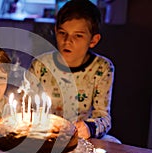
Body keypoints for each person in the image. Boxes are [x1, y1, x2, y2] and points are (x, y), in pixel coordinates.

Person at [28, 0, 121, 143]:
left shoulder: (102, 68)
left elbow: (104, 118)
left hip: (82, 140)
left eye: (78, 35)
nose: (67, 41)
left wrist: (88, 127)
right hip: (44, 138)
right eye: (62, 33)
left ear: (93, 40)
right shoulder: (40, 66)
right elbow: (26, 107)